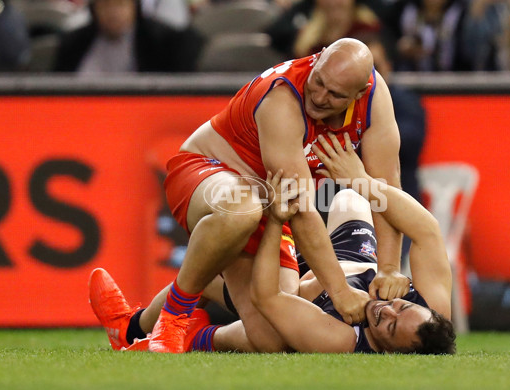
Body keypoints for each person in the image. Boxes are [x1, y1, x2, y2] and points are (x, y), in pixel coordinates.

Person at [90, 37, 405, 354]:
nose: (320, 96)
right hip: (206, 171)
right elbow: (300, 207)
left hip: (268, 204)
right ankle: (174, 319)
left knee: (275, 338)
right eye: (318, 81)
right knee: (242, 209)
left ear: (360, 93)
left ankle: (132, 327)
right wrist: (339, 291)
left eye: (334, 94)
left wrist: (389, 268)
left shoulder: (376, 98)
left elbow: (386, 189)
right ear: (318, 58)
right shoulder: (283, 98)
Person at [89, 131, 454, 354]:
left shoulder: (339, 340)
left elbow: (271, 298)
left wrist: (278, 222)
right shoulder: (432, 311)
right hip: (346, 261)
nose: (387, 309)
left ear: (392, 355)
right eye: (402, 308)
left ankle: (155, 331)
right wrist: (362, 182)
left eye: (389, 326)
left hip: (296, 298)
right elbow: (425, 229)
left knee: (266, 335)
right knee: (352, 200)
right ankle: (143, 326)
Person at [53, 0, 203, 74]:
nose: (113, 12)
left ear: (134, 7)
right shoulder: (74, 42)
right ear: (94, 9)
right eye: (105, 5)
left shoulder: (159, 40)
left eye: (120, 4)